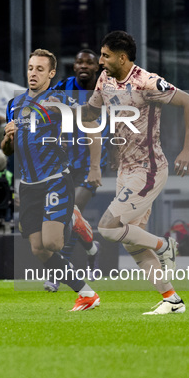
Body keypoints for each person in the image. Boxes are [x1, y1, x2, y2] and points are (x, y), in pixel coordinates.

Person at [79, 30, 189, 315]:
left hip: (149, 168)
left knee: (108, 227)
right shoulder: (105, 79)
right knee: (131, 238)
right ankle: (172, 300)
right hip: (125, 169)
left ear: (122, 57)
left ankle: (165, 245)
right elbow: (91, 113)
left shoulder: (147, 82)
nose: (100, 61)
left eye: (105, 55)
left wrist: (188, 149)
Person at [2, 48, 100, 312]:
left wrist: (94, 168)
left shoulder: (58, 99)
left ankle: (72, 218)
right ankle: (87, 294)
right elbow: (7, 150)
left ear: (51, 74)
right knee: (39, 249)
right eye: (31, 68)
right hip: (28, 184)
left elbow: (91, 124)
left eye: (40, 69)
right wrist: (8, 137)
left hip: (55, 178)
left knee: (53, 243)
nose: (33, 73)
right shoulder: (15, 104)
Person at [43, 49, 105, 291]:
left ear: (96, 67)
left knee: (68, 213)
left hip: (90, 161)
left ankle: (57, 274)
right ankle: (91, 248)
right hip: (64, 162)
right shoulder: (62, 87)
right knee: (70, 215)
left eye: (89, 62)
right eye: (79, 61)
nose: (83, 66)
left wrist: (101, 164)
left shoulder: (106, 89)